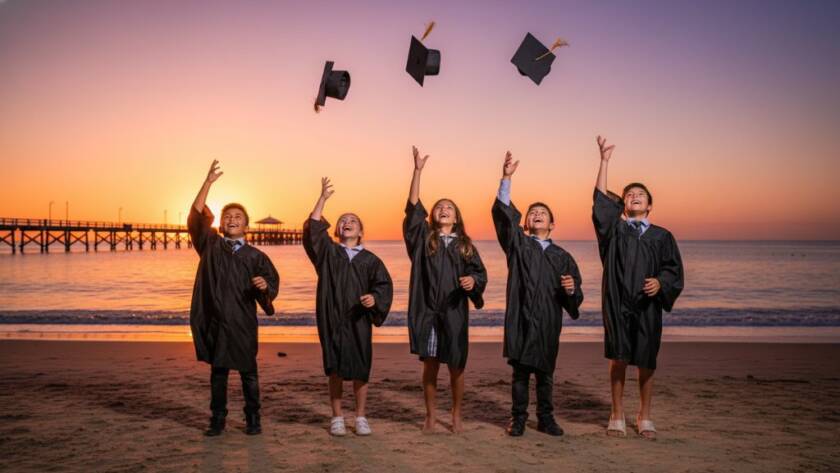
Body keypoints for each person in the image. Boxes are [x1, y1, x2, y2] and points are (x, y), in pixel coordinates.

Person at [592, 136, 685, 440]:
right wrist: (604, 161)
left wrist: (661, 282)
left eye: (640, 194)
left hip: (647, 304)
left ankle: (645, 415)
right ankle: (617, 413)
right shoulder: (614, 231)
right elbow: (602, 206)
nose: (634, 196)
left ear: (649, 204)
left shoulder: (662, 236)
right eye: (629, 193)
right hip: (617, 302)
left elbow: (673, 269)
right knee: (618, 356)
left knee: (646, 359)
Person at [491, 151, 583, 437]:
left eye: (542, 213)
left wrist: (572, 289)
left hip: (546, 320)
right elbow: (503, 217)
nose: (537, 215)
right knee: (519, 373)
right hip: (521, 316)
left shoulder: (562, 256)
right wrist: (506, 178)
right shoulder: (518, 245)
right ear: (526, 223)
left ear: (552, 224)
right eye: (532, 213)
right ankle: (518, 418)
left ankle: (546, 418)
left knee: (545, 373)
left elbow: (574, 292)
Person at [187, 159, 280, 437]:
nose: (232, 220)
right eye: (228, 216)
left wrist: (264, 286)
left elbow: (270, 284)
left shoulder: (256, 256)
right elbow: (195, 217)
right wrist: (208, 182)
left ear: (246, 226)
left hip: (242, 321)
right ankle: (217, 419)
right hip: (216, 319)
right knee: (219, 374)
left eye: (238, 217)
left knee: (249, 374)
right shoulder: (210, 245)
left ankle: (253, 419)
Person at [403, 146, 488, 433]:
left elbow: (479, 273)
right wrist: (417, 171)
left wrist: (472, 282)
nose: (442, 209)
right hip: (428, 310)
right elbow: (413, 210)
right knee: (430, 366)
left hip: (454, 312)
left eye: (448, 208)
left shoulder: (466, 246)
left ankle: (455, 414)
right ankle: (429, 415)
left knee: (456, 366)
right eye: (439, 207)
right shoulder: (424, 240)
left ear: (456, 217)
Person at [303, 177, 394, 437]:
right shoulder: (328, 254)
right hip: (332, 317)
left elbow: (384, 285)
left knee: (361, 368)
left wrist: (375, 299)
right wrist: (322, 198)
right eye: (343, 220)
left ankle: (361, 416)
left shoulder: (371, 260)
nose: (347, 223)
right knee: (335, 367)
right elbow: (314, 230)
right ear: (337, 230)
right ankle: (337, 417)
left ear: (361, 231)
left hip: (359, 320)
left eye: (352, 220)